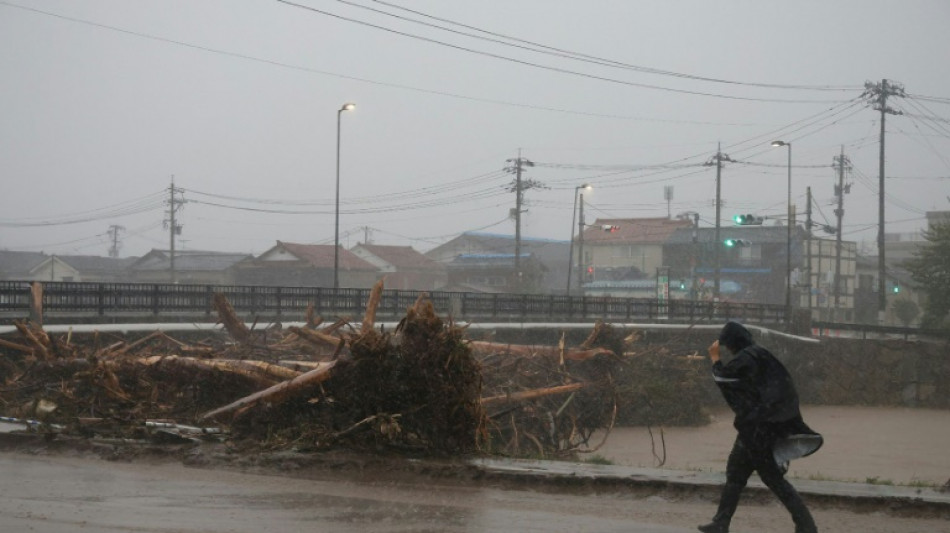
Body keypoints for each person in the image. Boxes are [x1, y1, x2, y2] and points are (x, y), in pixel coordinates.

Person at [699, 321, 823, 533]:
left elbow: (723, 378)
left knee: (769, 479)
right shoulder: (762, 355)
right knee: (736, 474)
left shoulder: (747, 358)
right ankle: (721, 522)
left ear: (733, 343)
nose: (729, 349)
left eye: (728, 346)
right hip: (762, 426)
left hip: (757, 429)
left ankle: (806, 525)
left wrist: (715, 358)